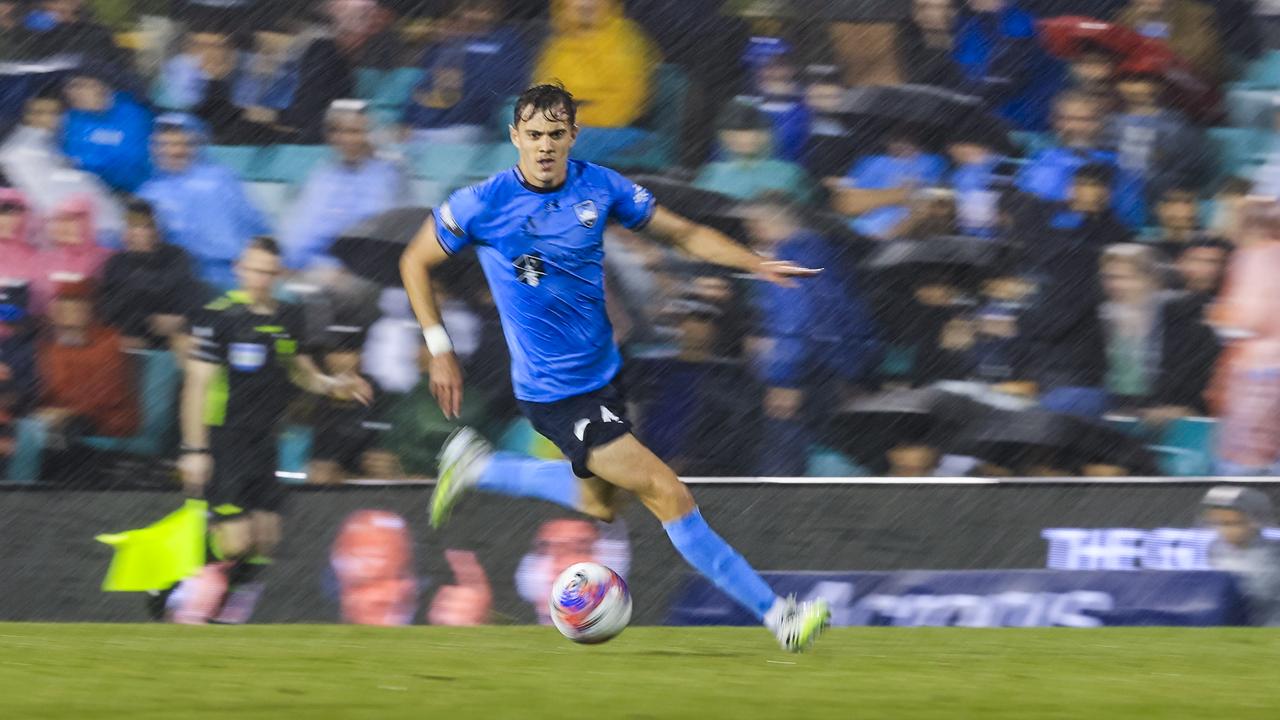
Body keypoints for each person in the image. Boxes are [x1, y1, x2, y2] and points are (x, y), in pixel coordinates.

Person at [399, 84, 831, 651]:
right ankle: (780, 616)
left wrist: (755, 263)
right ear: (514, 137)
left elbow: (683, 233)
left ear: (573, 136)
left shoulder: (600, 186)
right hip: (554, 393)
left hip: (604, 375)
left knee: (599, 504)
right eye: (534, 135)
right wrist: (439, 347)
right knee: (667, 492)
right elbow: (415, 259)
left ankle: (481, 467)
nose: (545, 146)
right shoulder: (483, 203)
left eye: (556, 134)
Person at [174, 236, 372, 625]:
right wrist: (194, 450)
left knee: (265, 541)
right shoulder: (219, 316)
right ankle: (177, 584)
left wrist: (334, 384)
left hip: (266, 439)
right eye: (254, 270)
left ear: (278, 274)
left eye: (268, 272)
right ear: (239, 269)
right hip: (227, 439)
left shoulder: (288, 316)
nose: (260, 279)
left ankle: (226, 617)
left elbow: (300, 371)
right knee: (236, 543)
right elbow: (197, 385)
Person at [137, 113, 271, 291]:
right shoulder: (148, 192)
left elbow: (256, 224)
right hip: (177, 283)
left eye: (180, 144)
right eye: (164, 144)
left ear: (195, 145)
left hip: (231, 276)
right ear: (154, 149)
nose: (172, 151)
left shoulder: (221, 179)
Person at [279, 100, 407, 273]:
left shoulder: (387, 176)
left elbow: (378, 241)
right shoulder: (323, 175)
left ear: (370, 134)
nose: (347, 139)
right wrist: (309, 266)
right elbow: (299, 238)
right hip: (314, 269)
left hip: (362, 273)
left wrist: (338, 269)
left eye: (355, 132)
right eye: (339, 131)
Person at [35, 277, 139, 484]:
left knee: (67, 431)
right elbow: (43, 390)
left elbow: (108, 394)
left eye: (76, 305)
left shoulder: (109, 342)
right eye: (63, 306)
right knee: (28, 427)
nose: (69, 312)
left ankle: (75, 486)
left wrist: (66, 413)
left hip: (105, 417)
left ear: (89, 310)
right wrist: (41, 411)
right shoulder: (47, 347)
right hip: (58, 417)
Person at [0, 88, 124, 242]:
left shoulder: (63, 142)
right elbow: (44, 199)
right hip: (66, 230)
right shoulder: (17, 153)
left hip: (98, 225)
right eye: (38, 113)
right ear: (27, 115)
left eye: (54, 113)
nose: (47, 119)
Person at [401, 0, 530, 146]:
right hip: (422, 128)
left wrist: (465, 79)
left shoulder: (505, 41)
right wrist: (407, 120)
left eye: (483, 9)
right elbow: (422, 86)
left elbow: (509, 85)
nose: (473, 15)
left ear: (495, 11)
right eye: (468, 8)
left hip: (468, 127)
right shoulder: (445, 40)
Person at [1016, 91, 1147, 229]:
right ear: (1054, 121)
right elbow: (1023, 212)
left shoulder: (1120, 165)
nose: (1075, 127)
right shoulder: (1039, 160)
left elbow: (1131, 219)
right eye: (1067, 119)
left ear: (1101, 122)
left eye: (1085, 120)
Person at [532, 0, 659, 129]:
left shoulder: (625, 39)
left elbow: (627, 102)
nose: (585, 4)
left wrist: (580, 116)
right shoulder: (557, 44)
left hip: (613, 129)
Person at [99, 198, 203, 349]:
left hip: (171, 343)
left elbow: (188, 300)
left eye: (141, 227)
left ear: (155, 230)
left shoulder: (176, 257)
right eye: (129, 227)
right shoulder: (115, 263)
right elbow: (109, 310)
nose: (133, 233)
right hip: (127, 342)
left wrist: (179, 320)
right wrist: (147, 321)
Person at [693, 100, 813, 204]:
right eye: (732, 133)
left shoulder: (790, 174)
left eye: (748, 132)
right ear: (723, 137)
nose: (741, 139)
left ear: (765, 135)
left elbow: (807, 213)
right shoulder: (712, 173)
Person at [60, 67, 153, 194]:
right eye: (69, 87)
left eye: (78, 86)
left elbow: (131, 163)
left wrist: (81, 164)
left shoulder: (134, 116)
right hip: (82, 194)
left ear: (100, 87)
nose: (70, 93)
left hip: (130, 195)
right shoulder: (72, 117)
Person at [1200, 486, 1280, 626]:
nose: (1224, 531)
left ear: (1254, 521)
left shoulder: (1274, 553)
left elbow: (1259, 596)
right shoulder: (1215, 548)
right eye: (1217, 523)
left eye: (1232, 523)